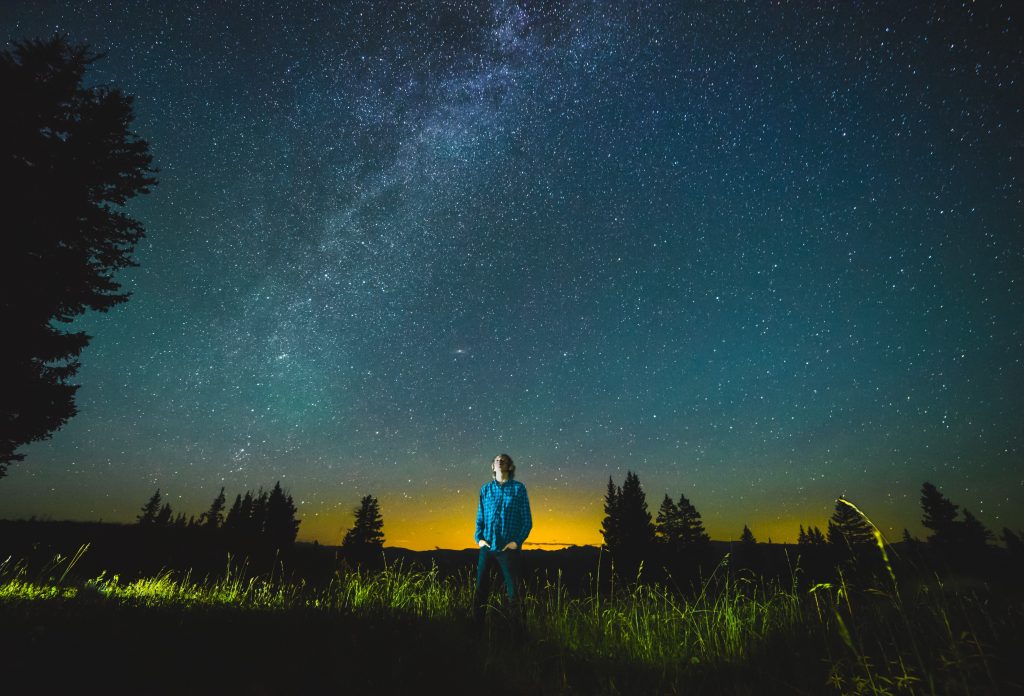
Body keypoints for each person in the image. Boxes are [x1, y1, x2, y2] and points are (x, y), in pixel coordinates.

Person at [473, 453, 532, 628]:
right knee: (480, 591)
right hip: (487, 547)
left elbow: (527, 521)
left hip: (508, 550)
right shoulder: (485, 490)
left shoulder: (518, 489)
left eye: (503, 460)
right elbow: (480, 518)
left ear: (509, 467)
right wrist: (479, 539)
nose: (499, 461)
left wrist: (516, 542)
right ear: (493, 466)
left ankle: (519, 636)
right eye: (496, 460)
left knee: (513, 593)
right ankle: (476, 632)